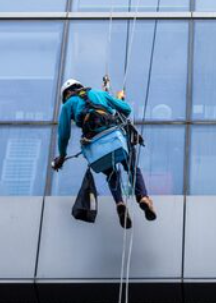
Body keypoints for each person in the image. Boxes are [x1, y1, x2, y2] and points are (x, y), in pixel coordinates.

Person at [51, 79, 156, 229]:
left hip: (95, 143)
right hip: (115, 135)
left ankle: (119, 203)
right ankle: (143, 198)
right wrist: (118, 101)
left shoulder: (68, 105)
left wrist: (61, 157)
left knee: (111, 173)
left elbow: (63, 134)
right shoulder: (99, 93)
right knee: (132, 168)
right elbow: (126, 109)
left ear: (66, 94)